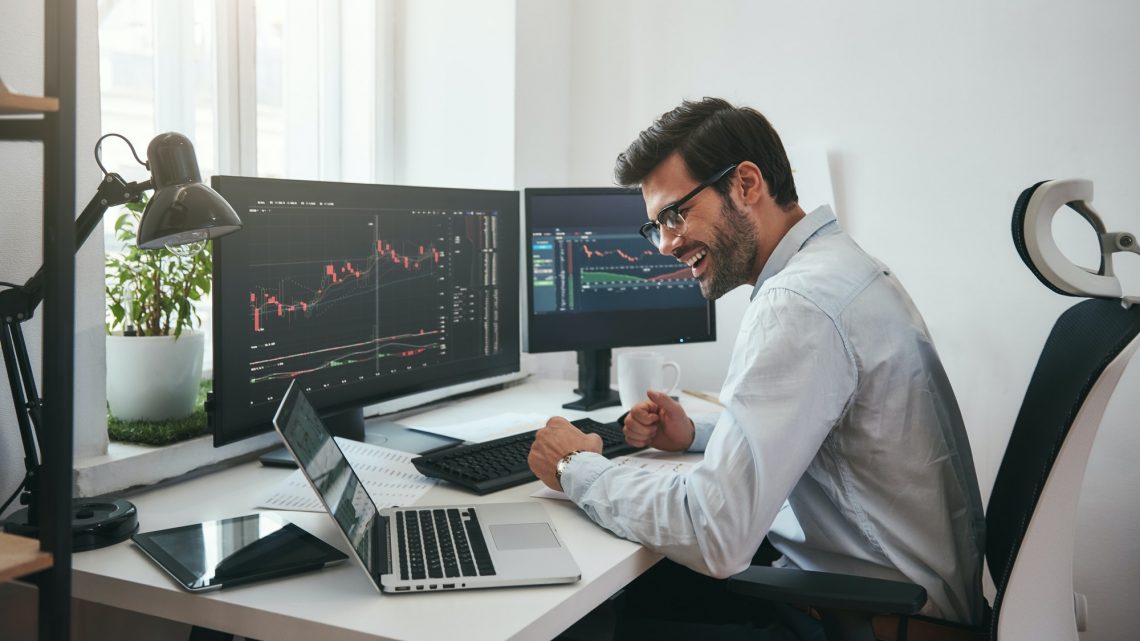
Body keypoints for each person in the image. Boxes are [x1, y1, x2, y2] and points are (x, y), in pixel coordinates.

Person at [527, 97, 986, 640]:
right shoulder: (839, 269)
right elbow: (827, 425)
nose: (668, 244)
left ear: (746, 184)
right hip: (902, 601)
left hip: (873, 622)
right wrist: (696, 434)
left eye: (676, 214)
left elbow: (713, 533)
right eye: (657, 227)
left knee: (583, 623)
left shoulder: (797, 303)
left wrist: (575, 468)